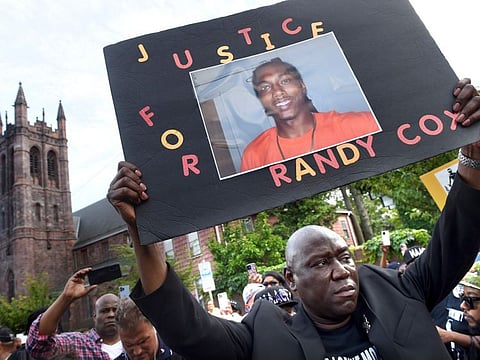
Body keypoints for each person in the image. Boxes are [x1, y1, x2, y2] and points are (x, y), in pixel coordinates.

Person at [107, 79, 480, 358]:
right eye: (320, 263)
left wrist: (474, 150)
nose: (341, 271)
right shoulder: (264, 336)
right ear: (292, 280)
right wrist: (143, 231)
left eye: (344, 257)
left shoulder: (399, 291)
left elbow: (457, 238)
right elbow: (187, 329)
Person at [240, 57, 380, 171]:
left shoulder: (363, 125)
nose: (277, 91)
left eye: (285, 81)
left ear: (302, 86)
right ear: (261, 100)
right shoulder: (254, 155)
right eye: (265, 87)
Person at [26, 268, 123, 360]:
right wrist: (66, 297)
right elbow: (38, 345)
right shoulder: (77, 343)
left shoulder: (134, 342)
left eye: (115, 310)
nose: (111, 315)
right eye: (104, 311)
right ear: (94, 316)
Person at [115, 297, 182, 360]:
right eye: (129, 345)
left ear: (155, 327)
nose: (137, 352)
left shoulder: (181, 354)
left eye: (142, 342)